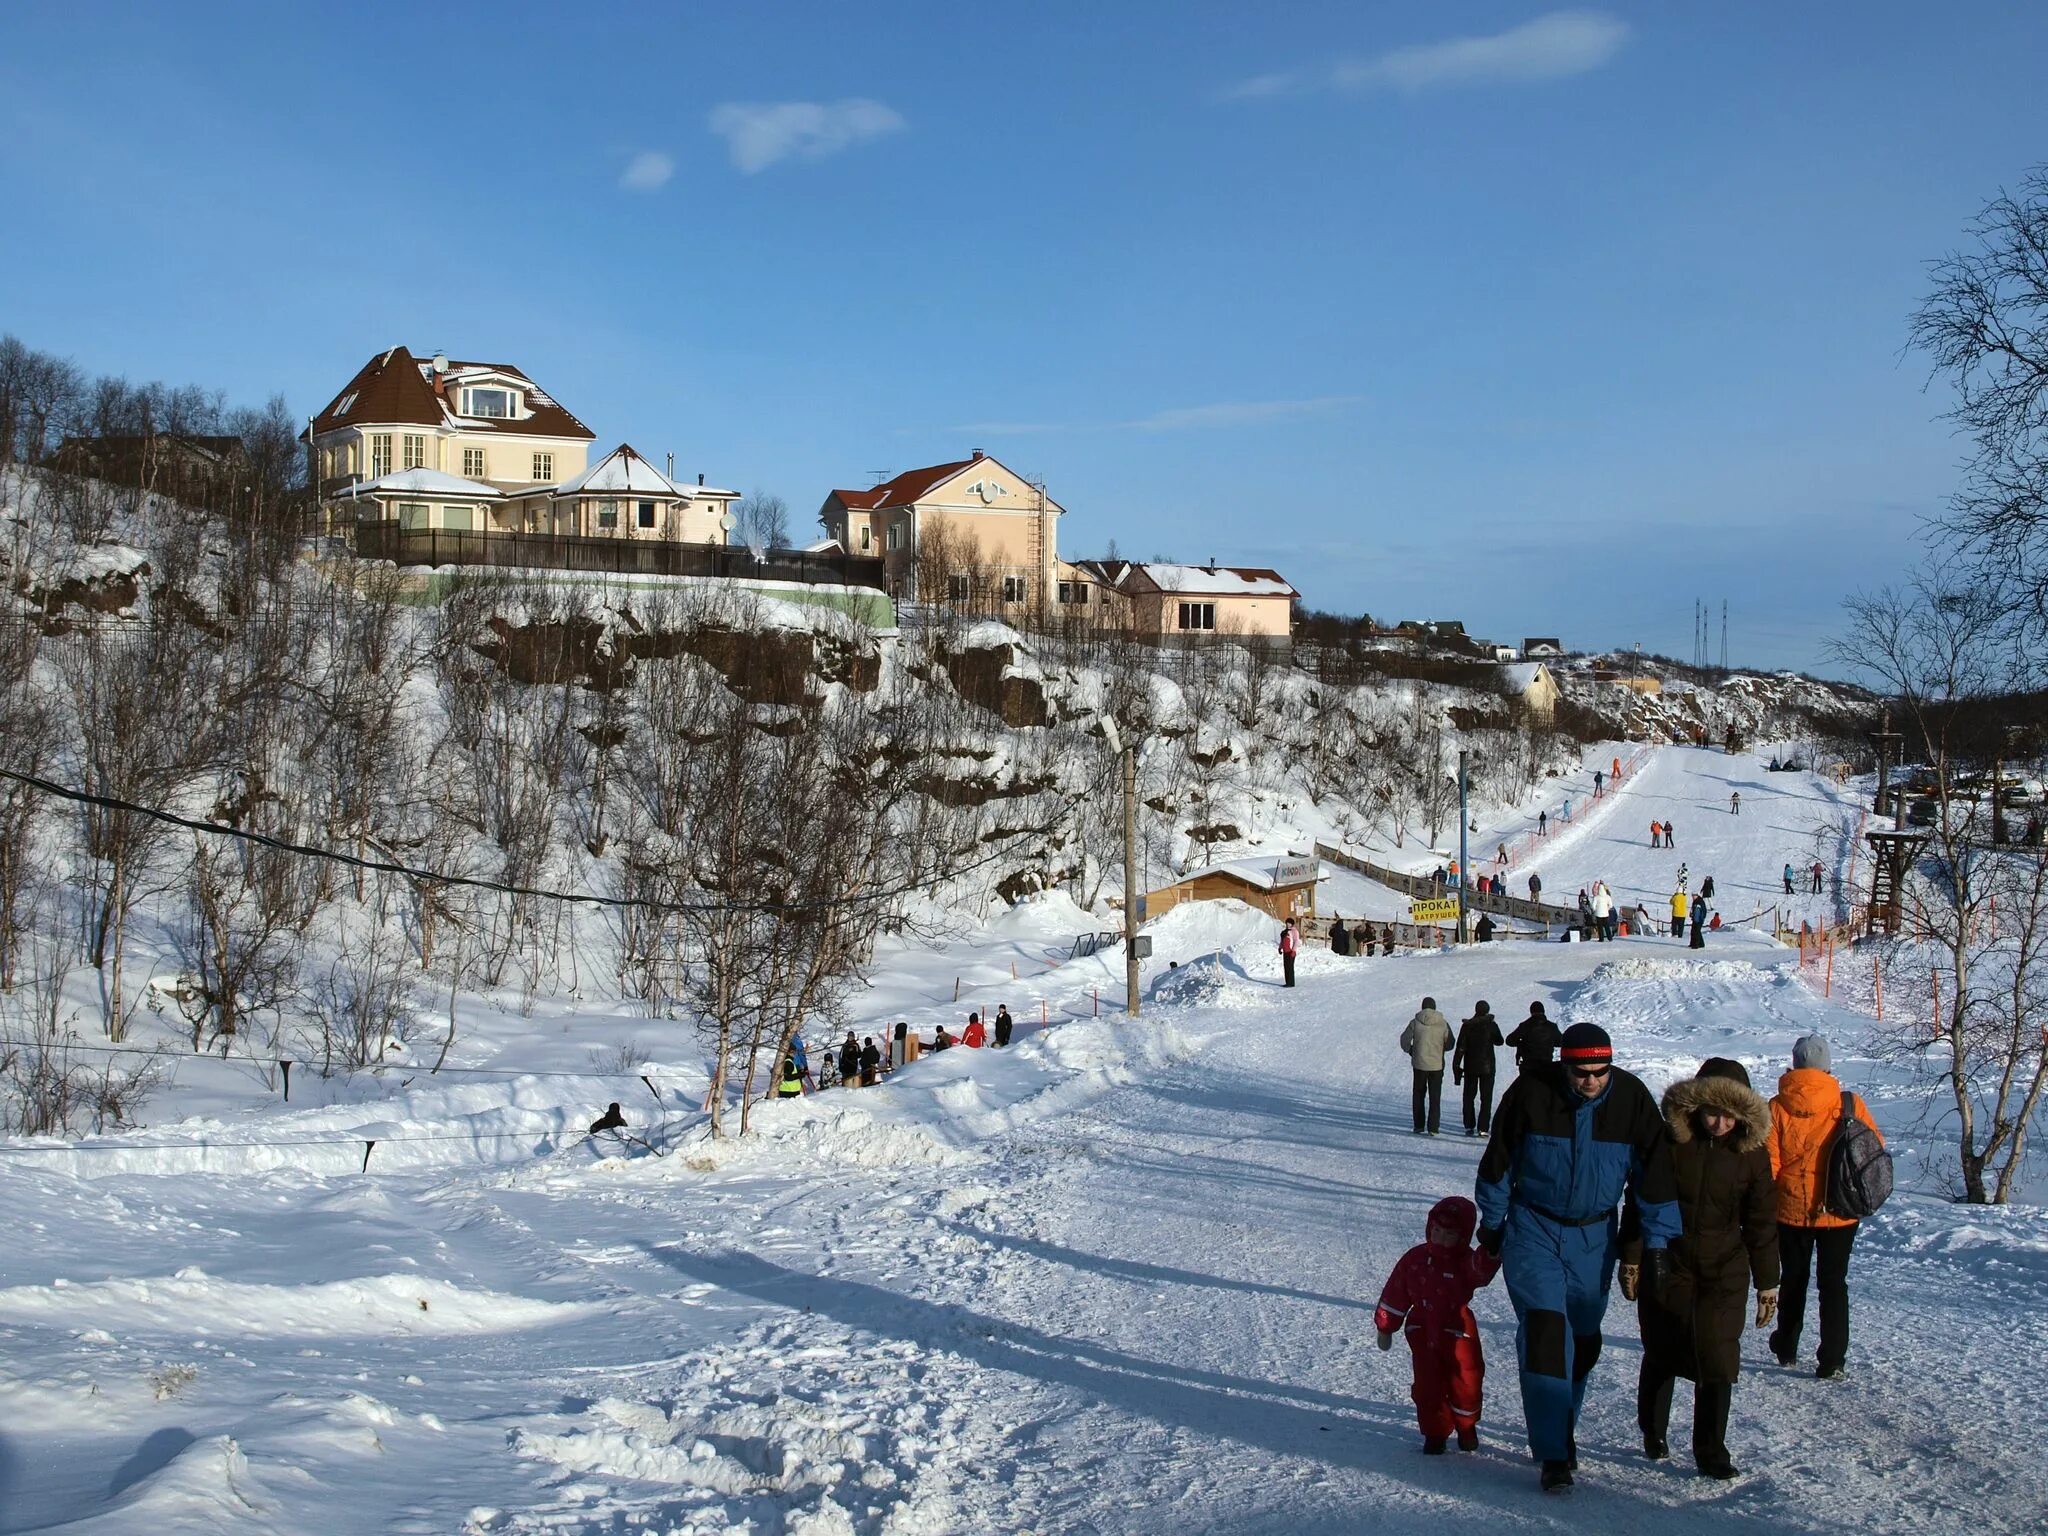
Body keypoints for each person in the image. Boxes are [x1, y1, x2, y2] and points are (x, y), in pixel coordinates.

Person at [1476, 1023, 1680, 1493]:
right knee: (1547, 1332)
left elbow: (1654, 1179)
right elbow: (1498, 1161)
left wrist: (1657, 1244)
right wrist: (1491, 1224)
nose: (1591, 1081)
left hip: (1594, 1237)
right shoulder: (1532, 1092)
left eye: (1600, 1072)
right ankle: (1554, 1451)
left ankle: (1562, 1418)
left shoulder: (1631, 1101)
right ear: (1564, 1065)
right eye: (1581, 1072)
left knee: (1583, 1341)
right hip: (1534, 1227)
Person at [1620, 1059, 1779, 1479]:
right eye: (1712, 1112)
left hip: (1724, 1268)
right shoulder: (1671, 1143)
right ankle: (1653, 1431)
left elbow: (1762, 1221)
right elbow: (1640, 1201)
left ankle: (1711, 1450)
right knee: (1662, 1348)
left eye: (1730, 1115)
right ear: (1695, 1106)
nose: (1720, 1123)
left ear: (1744, 1116)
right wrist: (1632, 1257)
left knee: (1717, 1355)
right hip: (1667, 1260)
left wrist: (1768, 1282)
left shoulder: (1752, 1154)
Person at [1768, 1035, 1882, 1378]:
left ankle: (1787, 1346)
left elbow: (1769, 1163)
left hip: (1790, 1211)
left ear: (1795, 1064)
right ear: (1828, 1065)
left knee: (1793, 1279)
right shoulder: (1849, 1103)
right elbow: (1872, 1150)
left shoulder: (1775, 1106)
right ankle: (1832, 1359)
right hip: (1841, 1210)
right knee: (1834, 1283)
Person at [1376, 1195, 1502, 1454]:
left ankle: (1466, 1426)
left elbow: (1480, 1272)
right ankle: (1435, 1433)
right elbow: (1396, 1290)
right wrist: (1386, 1325)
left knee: (1466, 1380)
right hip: (1422, 1328)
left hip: (1458, 1328)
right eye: (1436, 1231)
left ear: (1462, 1236)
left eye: (1449, 1234)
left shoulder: (1465, 1260)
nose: (1441, 1238)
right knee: (1427, 1385)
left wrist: (1490, 1253)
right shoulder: (1415, 1259)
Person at [1401, 997, 1456, 1136]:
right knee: (1435, 1096)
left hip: (1419, 1064)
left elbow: (1404, 1040)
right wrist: (1440, 1049)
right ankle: (1433, 1127)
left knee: (1418, 1094)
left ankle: (1419, 1125)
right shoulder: (1443, 1023)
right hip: (1436, 1065)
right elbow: (1450, 1043)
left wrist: (1411, 1051)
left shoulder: (1415, 1022)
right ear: (1435, 1007)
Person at [1454, 1001, 1503, 1135]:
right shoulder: (1491, 1025)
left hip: (1470, 1066)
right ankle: (1483, 1128)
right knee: (1486, 1097)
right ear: (1487, 1011)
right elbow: (1500, 1041)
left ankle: (1469, 1125)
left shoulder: (1467, 1026)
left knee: (1469, 1096)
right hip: (1488, 1067)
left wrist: (1456, 1065)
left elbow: (1460, 1048)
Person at [1506, 1001, 1560, 1072]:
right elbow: (1561, 1042)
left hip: (1528, 1067)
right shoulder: (1552, 1027)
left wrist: (1521, 1043)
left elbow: (1509, 1041)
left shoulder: (1525, 1025)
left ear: (1531, 1012)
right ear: (1543, 1011)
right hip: (1547, 1066)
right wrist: (1550, 1041)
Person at [1279, 917, 1301, 987]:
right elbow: (1282, 941)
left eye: (1289, 923)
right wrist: (1280, 947)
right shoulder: (1285, 931)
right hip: (1285, 952)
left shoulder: (1294, 931)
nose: (1288, 924)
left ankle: (1291, 983)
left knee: (1290, 967)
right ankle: (1287, 982)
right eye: (1287, 923)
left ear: (1292, 924)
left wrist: (1294, 951)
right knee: (1286, 967)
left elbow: (1296, 941)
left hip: (1291, 952)